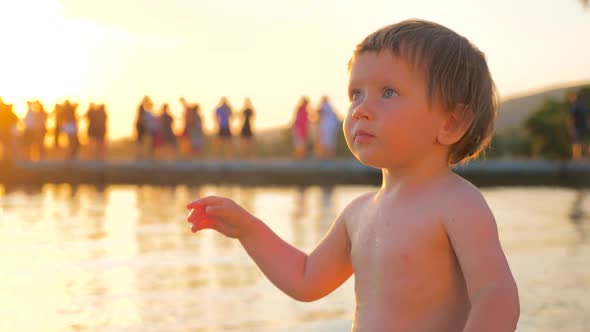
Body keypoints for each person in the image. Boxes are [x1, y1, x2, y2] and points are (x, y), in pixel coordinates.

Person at [185, 19, 520, 331]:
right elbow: (305, 279)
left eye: (388, 92)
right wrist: (249, 230)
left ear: (451, 123)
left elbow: (497, 295)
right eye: (355, 94)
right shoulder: (358, 213)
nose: (361, 109)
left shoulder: (456, 203)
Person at [567, 91, 589, 160]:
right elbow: (588, 117)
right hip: (585, 127)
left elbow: (571, 118)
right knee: (585, 142)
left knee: (576, 143)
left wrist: (570, 128)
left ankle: (577, 158)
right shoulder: (584, 105)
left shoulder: (574, 106)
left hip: (577, 127)